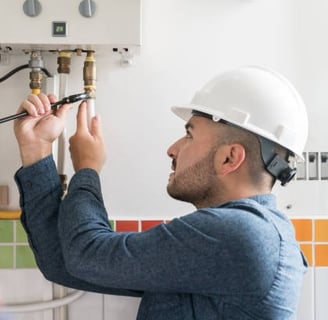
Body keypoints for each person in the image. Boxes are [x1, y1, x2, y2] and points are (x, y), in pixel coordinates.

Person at [14, 66, 308, 319]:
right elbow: (67, 265)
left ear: (230, 158)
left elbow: (86, 255)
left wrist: (87, 169)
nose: (172, 149)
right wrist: (36, 149)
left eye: (190, 134)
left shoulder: (242, 234)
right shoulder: (233, 242)